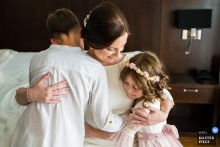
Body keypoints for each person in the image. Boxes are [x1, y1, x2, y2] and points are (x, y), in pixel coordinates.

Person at [15, 2, 174, 146]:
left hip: (128, 137)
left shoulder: (135, 62)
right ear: (92, 41)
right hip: (87, 139)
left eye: (123, 46)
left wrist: (162, 114)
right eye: (110, 48)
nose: (118, 54)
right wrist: (30, 94)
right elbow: (34, 102)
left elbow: (162, 91)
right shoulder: (76, 66)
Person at [11, 8, 126, 147]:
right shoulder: (94, 68)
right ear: (81, 32)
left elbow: (32, 97)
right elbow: (104, 121)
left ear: (53, 41)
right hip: (65, 140)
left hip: (28, 135)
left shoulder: (36, 59)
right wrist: (126, 120)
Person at [85, 51, 183, 147]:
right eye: (126, 83)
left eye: (136, 87)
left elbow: (122, 136)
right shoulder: (151, 92)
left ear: (150, 85)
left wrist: (90, 131)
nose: (129, 91)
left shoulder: (144, 108)